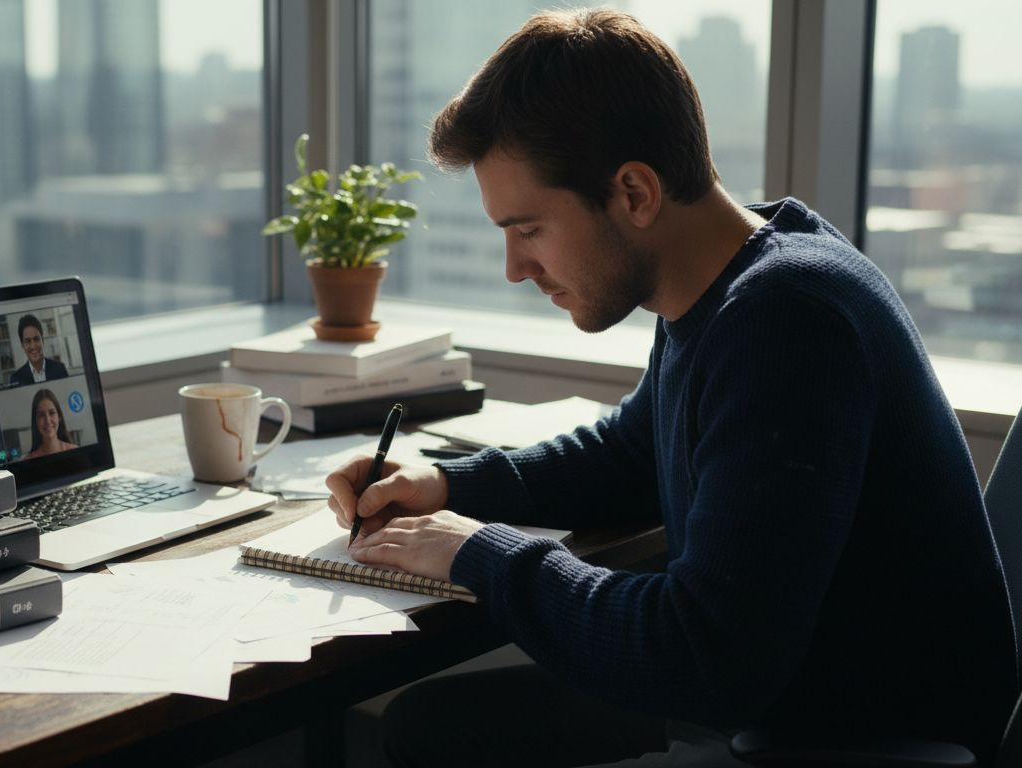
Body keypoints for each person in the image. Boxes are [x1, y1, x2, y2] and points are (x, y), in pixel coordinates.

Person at [325, 9, 1016, 767]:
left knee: (438, 736)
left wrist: (478, 553)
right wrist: (446, 484)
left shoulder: (785, 320)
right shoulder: (726, 278)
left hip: (846, 739)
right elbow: (633, 450)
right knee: (430, 725)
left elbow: (705, 655)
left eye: (529, 230)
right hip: (785, 700)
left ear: (634, 193)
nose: (515, 269)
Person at [8, 314, 68, 386]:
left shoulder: (60, 369)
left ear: (43, 340)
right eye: (28, 341)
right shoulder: (16, 379)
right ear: (22, 345)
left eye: (36, 339)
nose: (33, 346)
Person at [23, 388, 77, 459]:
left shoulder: (75, 451)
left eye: (52, 413)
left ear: (59, 416)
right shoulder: (28, 460)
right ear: (35, 421)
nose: (47, 420)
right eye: (41, 415)